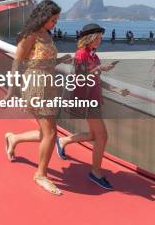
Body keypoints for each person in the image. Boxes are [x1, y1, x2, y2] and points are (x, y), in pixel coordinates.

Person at [4, 0, 72, 196]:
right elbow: (17, 62)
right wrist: (11, 89)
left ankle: (13, 138)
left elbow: (44, 60)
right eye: (53, 20)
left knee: (45, 133)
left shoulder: (46, 35)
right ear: (43, 17)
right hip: (36, 85)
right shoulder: (30, 35)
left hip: (49, 84)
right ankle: (40, 175)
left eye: (56, 20)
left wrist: (61, 59)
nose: (55, 23)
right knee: (51, 133)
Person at [55, 23, 129, 190]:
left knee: (93, 135)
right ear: (89, 37)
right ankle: (95, 172)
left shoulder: (94, 56)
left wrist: (117, 90)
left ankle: (62, 141)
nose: (100, 40)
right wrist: (98, 68)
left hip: (94, 99)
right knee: (102, 136)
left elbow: (97, 80)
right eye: (97, 37)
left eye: (101, 37)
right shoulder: (80, 54)